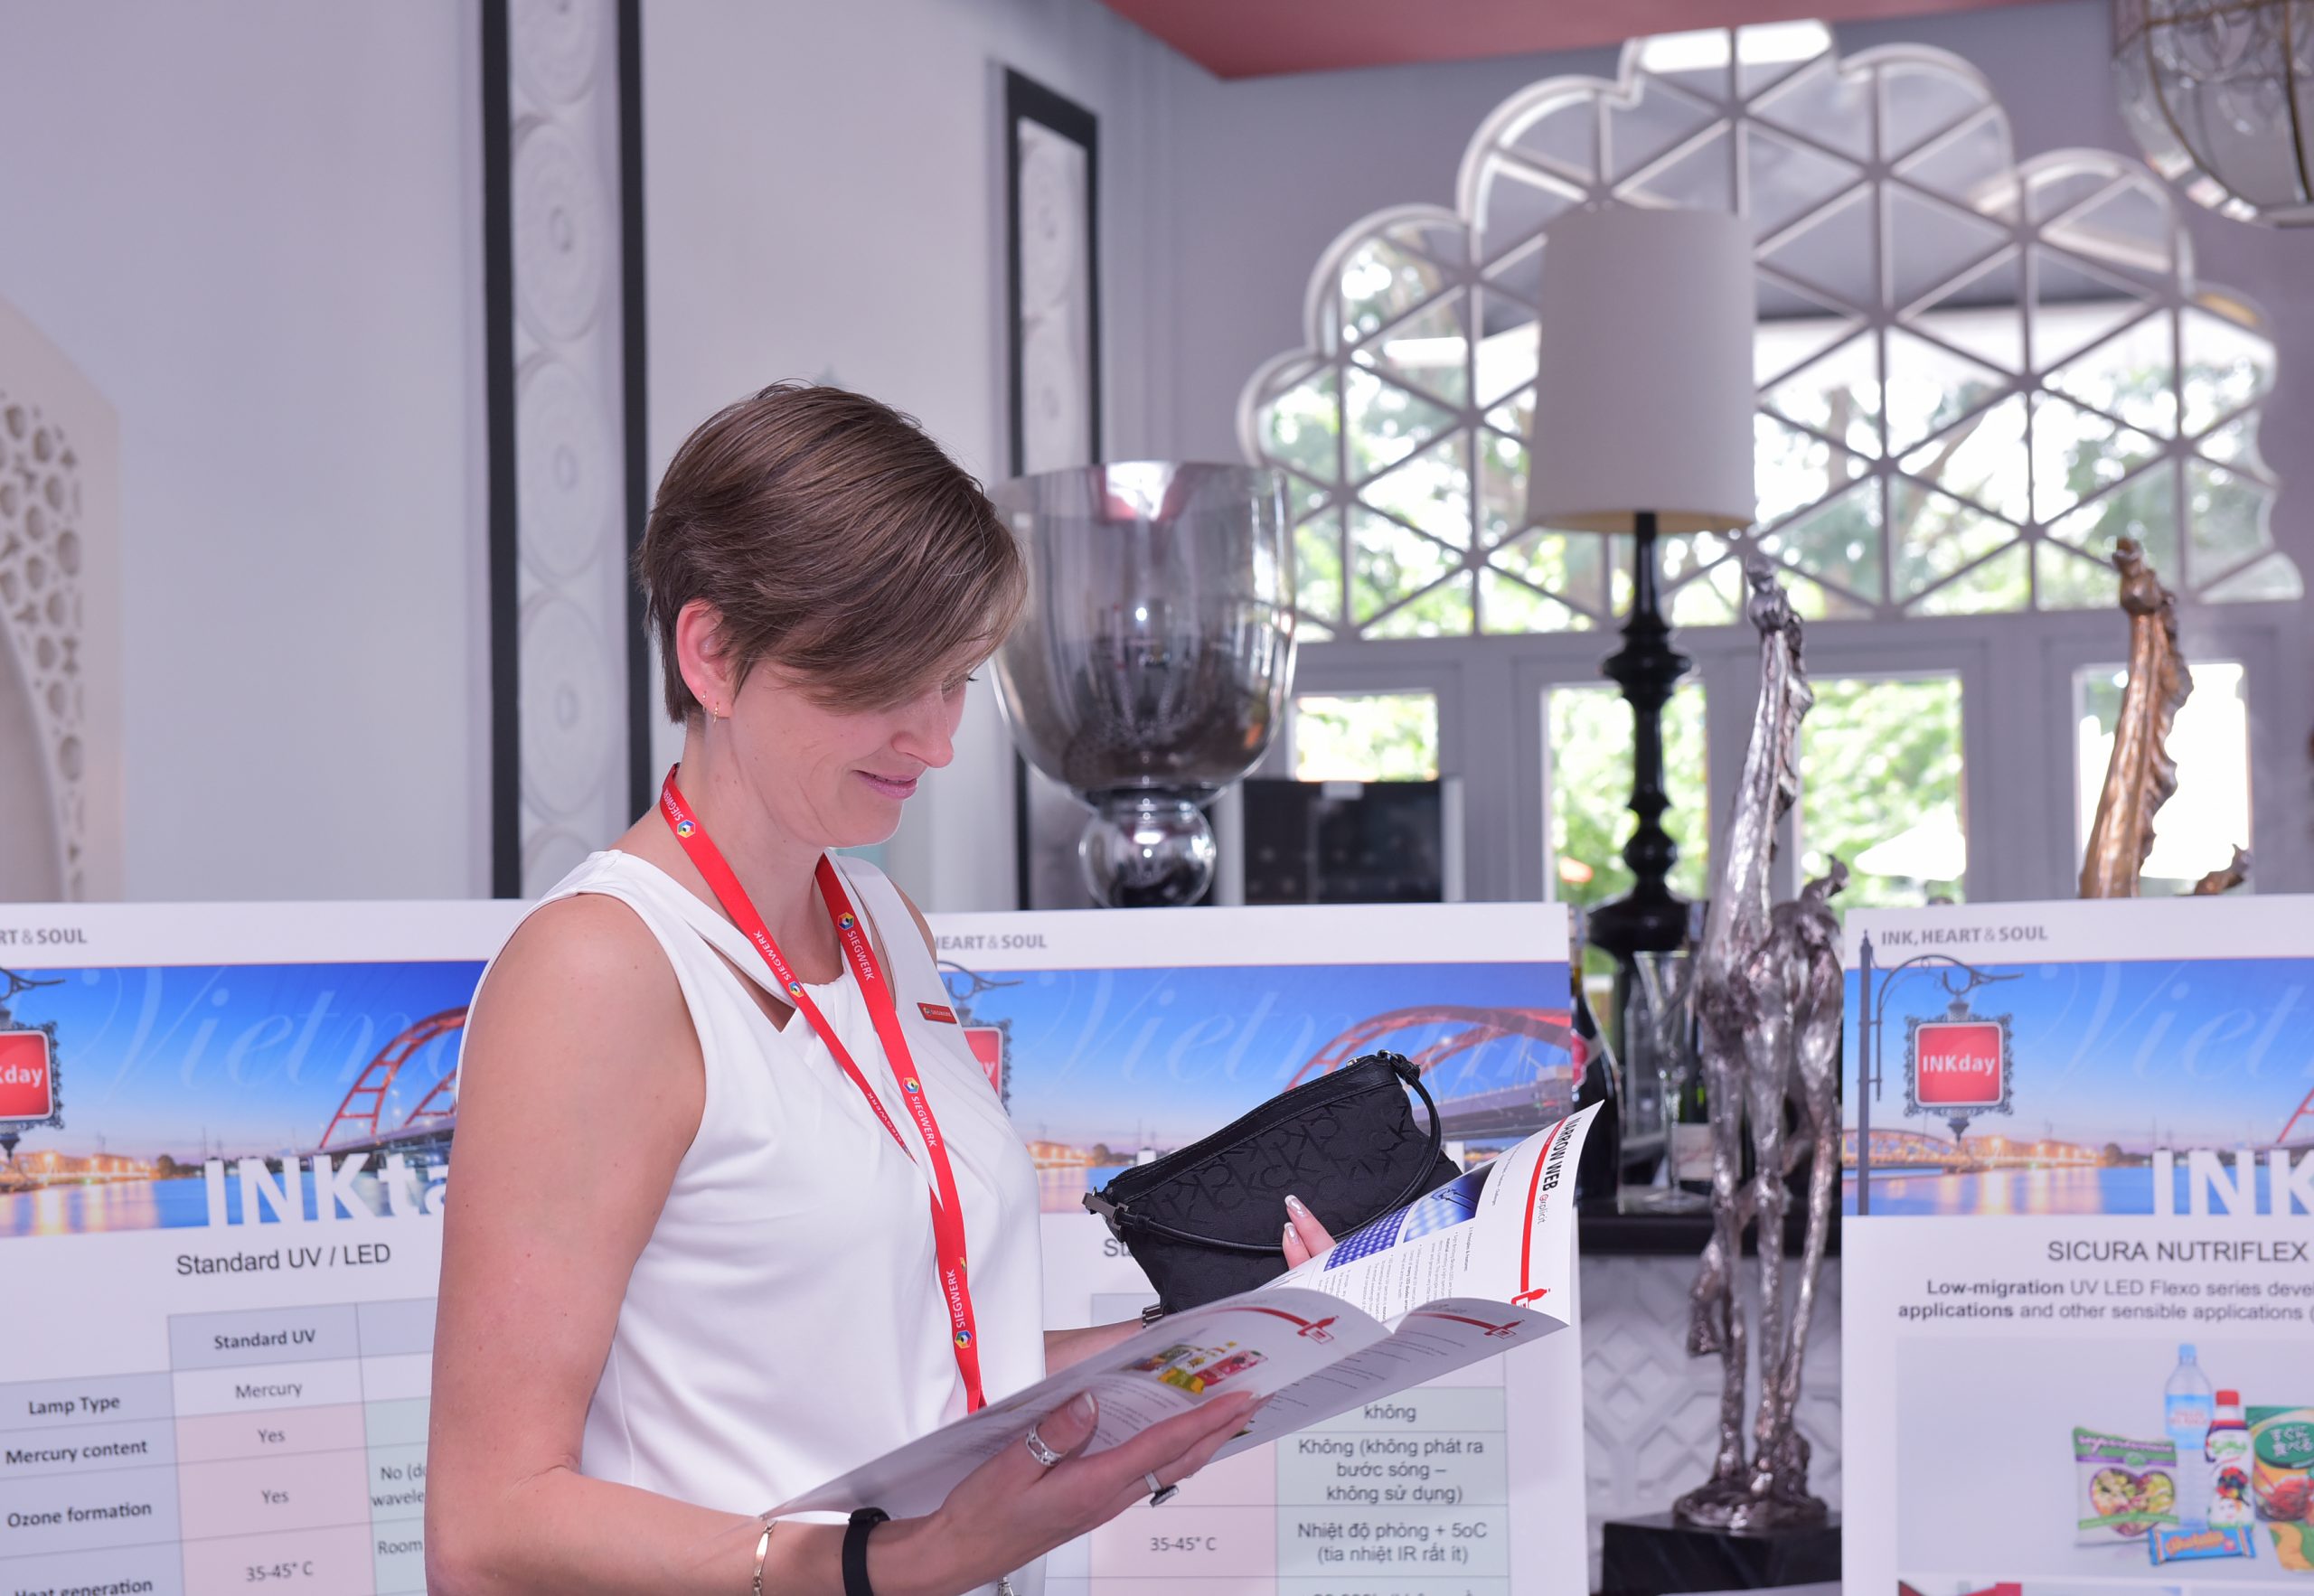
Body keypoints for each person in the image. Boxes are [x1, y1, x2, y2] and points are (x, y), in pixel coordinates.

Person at [427, 382, 1334, 1596]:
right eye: (883, 681)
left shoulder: (886, 926)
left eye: (954, 679)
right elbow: (488, 1526)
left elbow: (932, 1376)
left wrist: (1214, 1340)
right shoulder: (600, 969)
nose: (937, 741)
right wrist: (895, 1562)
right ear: (712, 654)